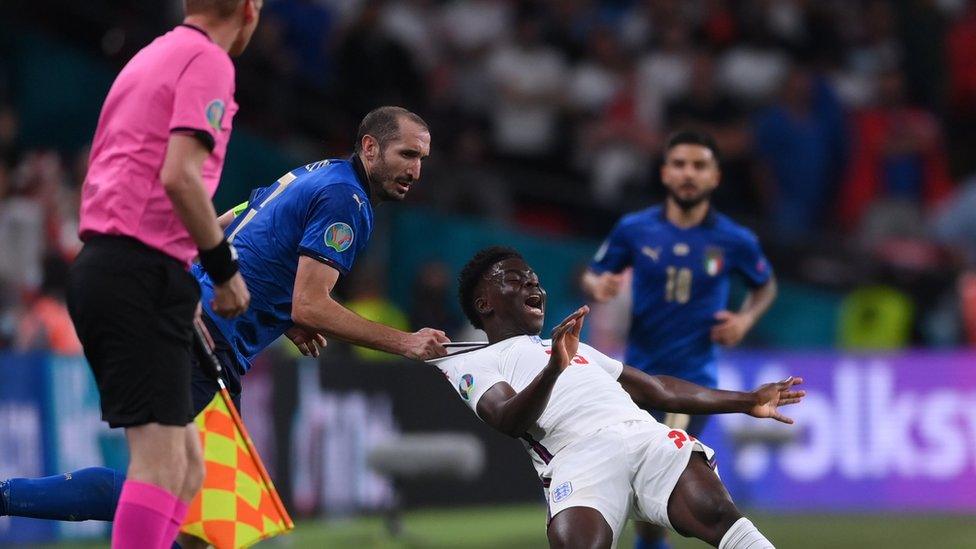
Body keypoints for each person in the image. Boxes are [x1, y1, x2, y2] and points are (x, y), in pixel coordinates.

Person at [0, 106, 450, 546]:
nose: (415, 170)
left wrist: (279, 311)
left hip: (187, 328)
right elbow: (312, 304)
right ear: (370, 148)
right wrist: (405, 342)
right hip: (197, 338)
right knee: (173, 489)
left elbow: (230, 228)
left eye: (422, 160)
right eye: (406, 155)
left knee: (200, 514)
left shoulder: (315, 174)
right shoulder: (346, 199)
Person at [434, 246, 802, 549]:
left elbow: (655, 389)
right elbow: (507, 419)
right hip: (576, 458)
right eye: (515, 279)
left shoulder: (570, 348)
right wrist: (553, 370)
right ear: (484, 305)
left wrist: (747, 401)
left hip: (641, 434)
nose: (533, 283)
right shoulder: (475, 361)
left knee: (716, 510)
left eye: (535, 278)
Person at [64, 2, 260, 547]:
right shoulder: (209, 61)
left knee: (187, 469)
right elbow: (180, 176)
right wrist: (223, 271)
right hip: (136, 270)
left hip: (121, 265)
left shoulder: (152, 56)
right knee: (158, 465)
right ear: (249, 10)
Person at [580, 130, 777, 549]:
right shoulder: (635, 229)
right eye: (681, 164)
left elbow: (765, 285)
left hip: (689, 383)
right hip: (635, 381)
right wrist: (598, 287)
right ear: (665, 173)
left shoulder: (734, 239)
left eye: (699, 165)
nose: (689, 173)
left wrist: (744, 320)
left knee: (656, 487)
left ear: (716, 177)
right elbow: (594, 273)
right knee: (643, 495)